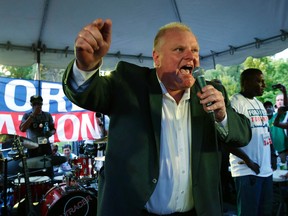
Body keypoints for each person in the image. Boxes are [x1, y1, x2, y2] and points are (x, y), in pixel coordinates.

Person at [62, 18, 251, 216]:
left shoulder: (211, 92)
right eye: (179, 49)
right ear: (156, 57)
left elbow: (242, 136)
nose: (191, 57)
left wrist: (222, 115)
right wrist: (85, 67)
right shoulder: (128, 83)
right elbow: (87, 93)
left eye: (195, 50)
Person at [228, 68, 275, 216]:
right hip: (247, 171)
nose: (264, 85)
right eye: (259, 81)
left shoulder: (260, 104)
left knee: (265, 212)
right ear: (246, 82)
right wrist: (248, 161)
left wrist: (272, 155)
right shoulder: (235, 102)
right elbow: (226, 139)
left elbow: (266, 131)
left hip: (265, 171)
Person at [19, 95, 56, 179]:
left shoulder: (47, 115)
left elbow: (53, 129)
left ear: (41, 104)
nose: (37, 106)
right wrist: (33, 115)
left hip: (45, 146)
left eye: (38, 103)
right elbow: (22, 129)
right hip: (32, 147)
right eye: (34, 104)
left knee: (48, 171)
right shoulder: (27, 115)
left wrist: (50, 133)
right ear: (31, 105)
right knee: (34, 172)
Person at [268, 85, 288, 163]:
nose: (280, 101)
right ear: (275, 102)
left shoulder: (285, 115)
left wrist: (284, 92)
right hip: (273, 151)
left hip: (284, 150)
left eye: (282, 100)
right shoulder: (272, 117)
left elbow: (285, 107)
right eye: (278, 100)